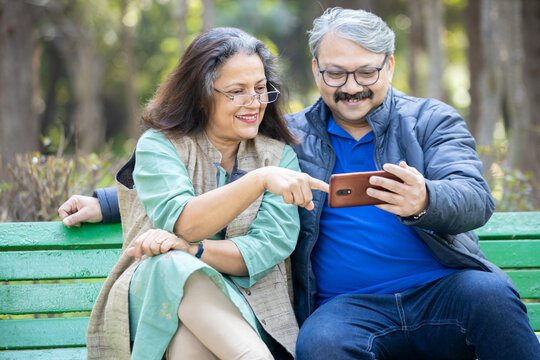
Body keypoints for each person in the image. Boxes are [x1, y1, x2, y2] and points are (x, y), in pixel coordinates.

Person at [60, 8, 540, 360]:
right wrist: (109, 202)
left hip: (443, 287)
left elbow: (475, 197)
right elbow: (215, 174)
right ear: (316, 71)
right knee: (319, 344)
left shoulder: (431, 120)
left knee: (493, 298)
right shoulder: (291, 136)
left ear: (389, 67)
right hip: (346, 306)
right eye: (335, 73)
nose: (350, 85)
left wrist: (426, 199)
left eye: (366, 72)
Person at [78, 27, 328, 360]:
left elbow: (264, 249)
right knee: (169, 264)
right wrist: (259, 181)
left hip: (247, 307)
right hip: (155, 295)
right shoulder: (160, 146)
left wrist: (191, 250)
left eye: (259, 89)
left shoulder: (278, 157)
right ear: (201, 94)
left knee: (187, 338)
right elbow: (184, 222)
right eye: (236, 91)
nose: (253, 102)